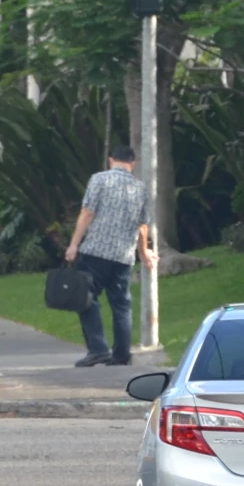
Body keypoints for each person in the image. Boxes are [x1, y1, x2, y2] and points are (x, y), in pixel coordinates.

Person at [63, 145, 154, 368]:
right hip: (123, 256)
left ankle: (98, 349)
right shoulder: (141, 188)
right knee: (121, 305)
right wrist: (144, 253)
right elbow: (142, 226)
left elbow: (87, 212)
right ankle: (121, 355)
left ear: (110, 159)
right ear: (132, 163)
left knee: (86, 298)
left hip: (95, 251)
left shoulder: (100, 179)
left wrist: (74, 244)